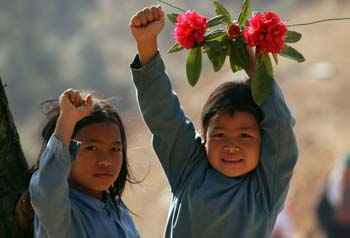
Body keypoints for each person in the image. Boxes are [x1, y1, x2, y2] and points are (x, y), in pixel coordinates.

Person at [129, 5, 298, 238]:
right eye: (219, 135)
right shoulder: (189, 169)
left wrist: (252, 64)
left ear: (264, 140)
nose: (231, 146)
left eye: (245, 135)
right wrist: (146, 45)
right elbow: (163, 115)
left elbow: (280, 126)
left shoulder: (266, 190)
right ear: (204, 137)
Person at [29, 89, 140, 238]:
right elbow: (48, 184)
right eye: (91, 148)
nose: (105, 161)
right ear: (68, 152)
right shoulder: (59, 214)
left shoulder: (119, 211)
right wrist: (67, 120)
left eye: (115, 149)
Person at [316, 152, 350, 238]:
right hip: (332, 231)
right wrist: (335, 216)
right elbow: (320, 210)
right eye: (345, 171)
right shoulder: (332, 185)